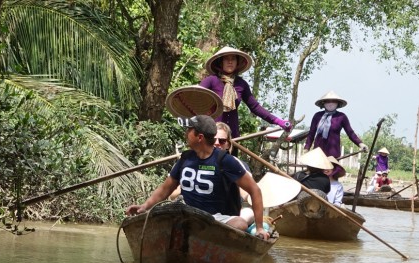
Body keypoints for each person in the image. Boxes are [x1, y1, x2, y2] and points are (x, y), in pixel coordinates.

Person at [125, 115, 269, 240]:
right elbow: (165, 189)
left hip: (216, 220)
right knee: (161, 216)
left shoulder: (225, 161)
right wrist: (144, 207)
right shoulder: (185, 159)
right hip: (187, 214)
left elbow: (255, 190)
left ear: (200, 137)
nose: (186, 134)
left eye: (189, 131)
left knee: (240, 224)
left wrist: (260, 228)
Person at [200, 46, 292, 140]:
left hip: (232, 137)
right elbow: (196, 99)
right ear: (221, 62)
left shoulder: (241, 84)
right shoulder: (211, 81)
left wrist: (277, 121)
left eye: (233, 59)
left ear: (237, 63)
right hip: (212, 135)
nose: (230, 62)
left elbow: (255, 107)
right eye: (226, 59)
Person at [304, 91, 368, 158]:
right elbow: (311, 134)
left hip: (333, 154)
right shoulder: (317, 116)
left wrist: (360, 144)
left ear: (337, 103)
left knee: (335, 169)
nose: (330, 104)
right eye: (328, 101)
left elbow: (350, 133)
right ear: (323, 103)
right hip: (318, 153)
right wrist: (306, 148)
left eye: (333, 101)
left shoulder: (341, 116)